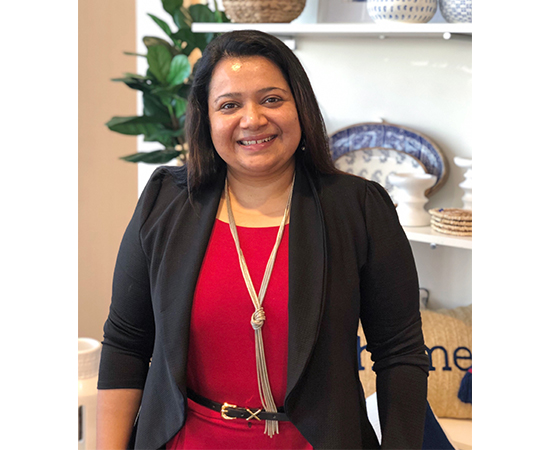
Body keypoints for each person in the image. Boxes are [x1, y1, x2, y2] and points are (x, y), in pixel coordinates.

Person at [96, 29, 430, 450]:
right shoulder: (165, 202)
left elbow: (399, 354)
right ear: (207, 118)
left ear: (300, 107)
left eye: (271, 99)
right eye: (229, 105)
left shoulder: (359, 208)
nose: (252, 119)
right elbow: (126, 346)